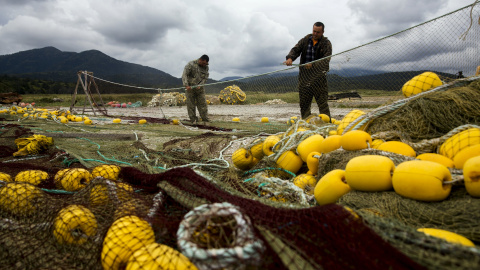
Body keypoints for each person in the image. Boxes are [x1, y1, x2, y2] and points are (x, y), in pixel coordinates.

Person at [284, 22, 332, 120]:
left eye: (318, 32)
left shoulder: (326, 43)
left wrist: (313, 65)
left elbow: (326, 60)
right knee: (304, 104)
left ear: (323, 32)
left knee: (323, 104)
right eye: (314, 31)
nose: (315, 34)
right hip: (305, 78)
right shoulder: (305, 40)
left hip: (319, 78)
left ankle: (327, 124)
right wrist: (290, 58)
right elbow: (296, 50)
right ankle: (306, 123)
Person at [182, 55, 210, 124]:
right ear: (200, 60)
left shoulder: (206, 67)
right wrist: (186, 85)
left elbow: (205, 77)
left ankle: (205, 118)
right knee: (191, 104)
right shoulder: (191, 64)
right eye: (203, 63)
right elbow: (184, 74)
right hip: (190, 88)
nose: (204, 65)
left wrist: (201, 85)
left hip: (200, 89)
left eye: (205, 64)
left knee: (203, 104)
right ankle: (193, 120)